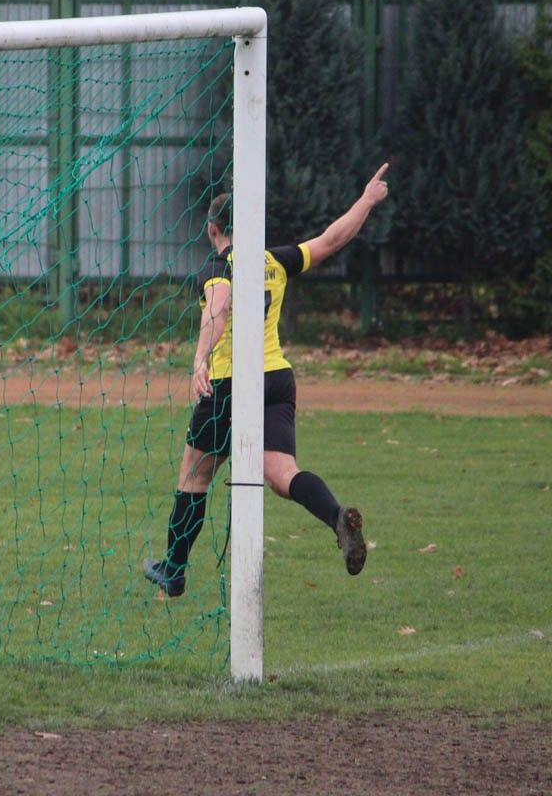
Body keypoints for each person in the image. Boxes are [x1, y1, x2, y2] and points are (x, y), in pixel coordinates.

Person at [144, 163, 391, 597]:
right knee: (281, 473)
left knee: (195, 478)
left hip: (229, 383)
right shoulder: (275, 260)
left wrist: (199, 360)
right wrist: (367, 200)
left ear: (213, 227)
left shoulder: (217, 265)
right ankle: (337, 517)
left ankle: (175, 569)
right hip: (276, 378)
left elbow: (218, 307)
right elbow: (332, 239)